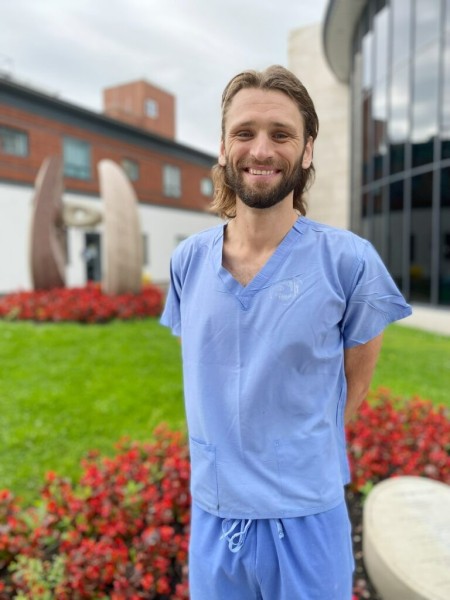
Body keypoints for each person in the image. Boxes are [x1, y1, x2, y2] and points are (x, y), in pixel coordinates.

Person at [160, 65, 411, 600]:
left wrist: (293, 456)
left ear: (307, 150)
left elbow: (355, 385)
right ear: (224, 148)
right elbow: (215, 374)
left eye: (281, 134)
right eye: (244, 132)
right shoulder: (189, 262)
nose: (262, 150)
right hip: (215, 515)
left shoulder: (349, 263)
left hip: (308, 521)